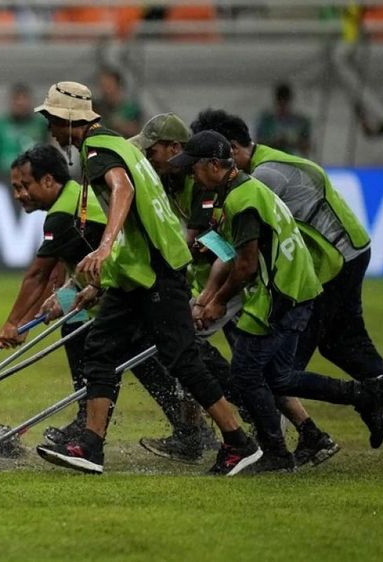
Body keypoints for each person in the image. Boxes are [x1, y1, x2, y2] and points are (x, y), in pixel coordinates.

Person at [31, 81, 262, 476]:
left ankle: (240, 442)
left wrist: (102, 248)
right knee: (101, 349)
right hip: (141, 273)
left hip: (157, 273)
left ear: (69, 121)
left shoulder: (99, 150)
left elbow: (122, 193)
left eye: (52, 120)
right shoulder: (120, 145)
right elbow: (134, 231)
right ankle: (91, 445)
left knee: (183, 360)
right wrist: (85, 290)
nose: (50, 130)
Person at [192, 109, 383, 456]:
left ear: (229, 148)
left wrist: (211, 294)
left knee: (282, 369)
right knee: (343, 343)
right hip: (344, 253)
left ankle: (311, 431)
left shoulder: (264, 177)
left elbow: (242, 251)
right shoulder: (267, 166)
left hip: (332, 262)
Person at [171, 131, 383, 472]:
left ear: (214, 165)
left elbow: (244, 266)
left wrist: (215, 302)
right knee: (279, 378)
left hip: (280, 294)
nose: (190, 176)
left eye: (193, 169)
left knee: (245, 375)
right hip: (295, 288)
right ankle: (364, 394)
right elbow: (237, 253)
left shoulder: (241, 200)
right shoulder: (244, 189)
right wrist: (209, 295)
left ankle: (275, 453)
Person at [131, 113, 341, 467]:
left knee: (195, 348)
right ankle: (307, 431)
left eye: (151, 153)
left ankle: (201, 432)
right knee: (250, 365)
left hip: (229, 282)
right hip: (223, 279)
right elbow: (212, 245)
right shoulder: (185, 180)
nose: (148, 161)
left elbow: (208, 246)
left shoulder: (204, 185)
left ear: (174, 149)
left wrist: (208, 298)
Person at [0, 145, 217, 457]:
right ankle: (94, 419)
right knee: (82, 330)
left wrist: (14, 324)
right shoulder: (73, 197)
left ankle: (195, 428)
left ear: (48, 181)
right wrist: (61, 296)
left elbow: (37, 275)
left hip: (134, 285)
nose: (19, 194)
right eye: (15, 188)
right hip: (116, 284)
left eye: (23, 186)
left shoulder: (62, 215)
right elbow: (63, 262)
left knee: (127, 351)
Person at [0, 83, 50, 174]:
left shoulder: (40, 125)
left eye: (24, 98)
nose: (20, 103)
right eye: (16, 99)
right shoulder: (0, 125)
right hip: (3, 176)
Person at [255, 83, 312, 157]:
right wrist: (275, 142)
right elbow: (258, 145)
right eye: (280, 103)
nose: (283, 107)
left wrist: (291, 142)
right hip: (272, 160)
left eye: (285, 103)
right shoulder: (267, 121)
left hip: (293, 161)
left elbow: (307, 146)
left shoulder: (301, 122)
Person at [92, 68, 142, 138]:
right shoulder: (96, 107)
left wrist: (119, 125)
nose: (105, 89)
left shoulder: (130, 108)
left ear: (118, 85)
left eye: (108, 85)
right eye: (102, 85)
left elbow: (135, 131)